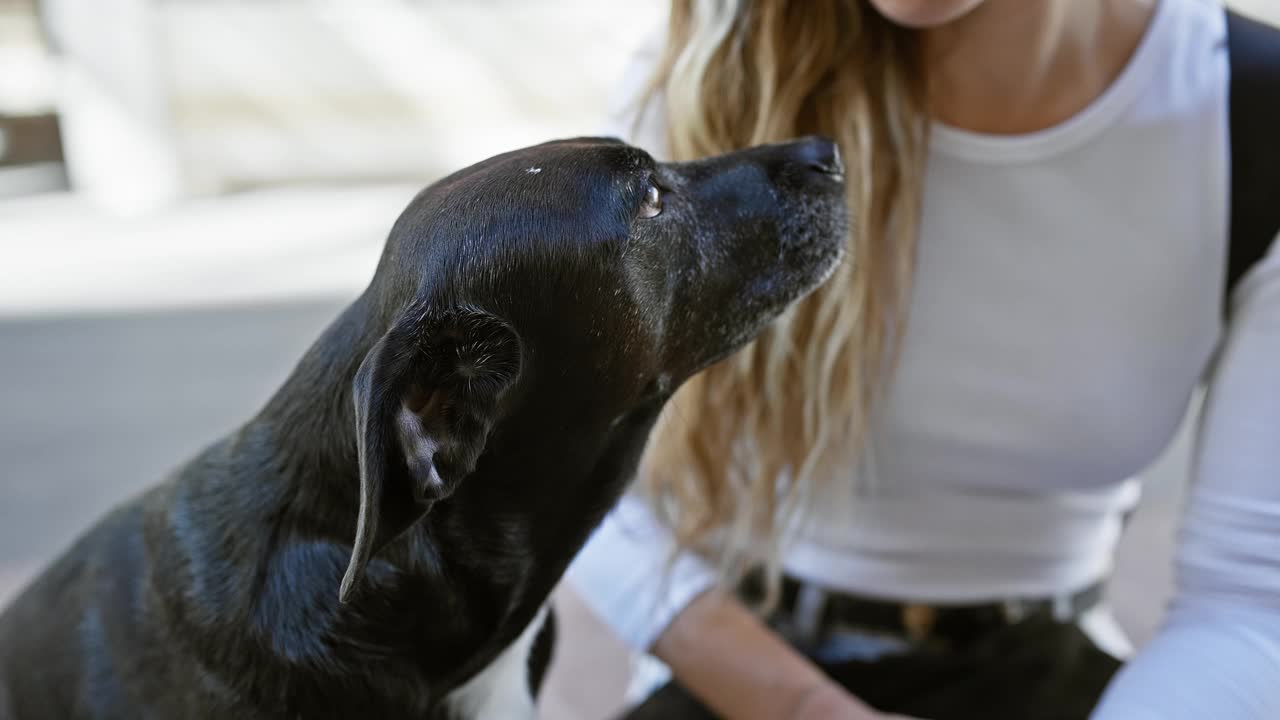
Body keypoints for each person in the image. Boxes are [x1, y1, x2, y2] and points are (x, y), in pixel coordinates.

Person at [566, 0, 1280, 718]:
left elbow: (1251, 600)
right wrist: (809, 709)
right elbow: (568, 474)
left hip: (1046, 667)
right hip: (741, 662)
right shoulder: (715, 66)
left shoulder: (1247, 112)